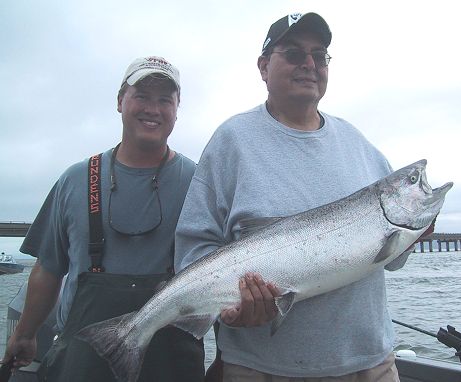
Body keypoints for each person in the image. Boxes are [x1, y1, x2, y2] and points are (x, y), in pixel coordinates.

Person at [175, 13, 433, 382]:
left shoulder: (362, 148)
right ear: (264, 66)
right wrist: (228, 304)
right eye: (294, 54)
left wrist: (413, 233)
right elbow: (192, 249)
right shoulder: (232, 141)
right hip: (260, 370)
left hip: (369, 365)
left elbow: (388, 260)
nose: (309, 65)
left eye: (319, 55)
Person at [3, 56, 204, 382]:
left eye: (164, 100)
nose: (152, 109)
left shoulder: (200, 182)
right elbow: (48, 268)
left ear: (177, 109)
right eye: (141, 96)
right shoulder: (76, 179)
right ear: (119, 100)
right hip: (85, 361)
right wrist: (25, 335)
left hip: (172, 359)